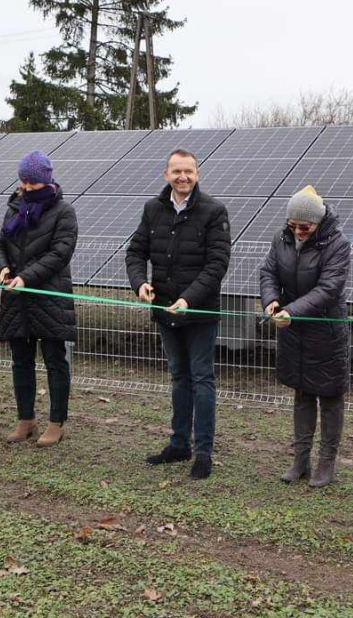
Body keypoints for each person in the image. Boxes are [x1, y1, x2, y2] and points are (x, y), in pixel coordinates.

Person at [125, 148, 231, 480]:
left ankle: (203, 453)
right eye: (176, 171)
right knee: (178, 377)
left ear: (197, 174)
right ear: (166, 174)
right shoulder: (152, 209)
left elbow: (217, 265)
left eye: (188, 171)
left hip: (198, 313)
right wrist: (140, 283)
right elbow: (135, 252)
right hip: (165, 311)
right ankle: (179, 444)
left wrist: (188, 299)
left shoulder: (214, 211)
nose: (182, 177)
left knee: (202, 379)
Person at [259, 185, 351, 488]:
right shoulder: (280, 238)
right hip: (293, 331)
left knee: (330, 397)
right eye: (293, 225)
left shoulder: (337, 244)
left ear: (318, 222)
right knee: (302, 393)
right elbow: (268, 272)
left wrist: (291, 311)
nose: (298, 231)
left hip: (326, 332)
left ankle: (326, 463)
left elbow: (329, 289)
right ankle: (301, 459)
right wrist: (272, 301)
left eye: (305, 226)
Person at [0, 151, 78, 447]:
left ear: (46, 180)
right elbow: (0, 243)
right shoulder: (14, 207)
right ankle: (26, 419)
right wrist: (2, 267)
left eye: (32, 182)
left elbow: (59, 253)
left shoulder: (64, 211)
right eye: (23, 181)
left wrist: (27, 277)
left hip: (49, 296)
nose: (26, 187)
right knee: (21, 361)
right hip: (17, 298)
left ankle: (57, 422)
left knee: (55, 361)